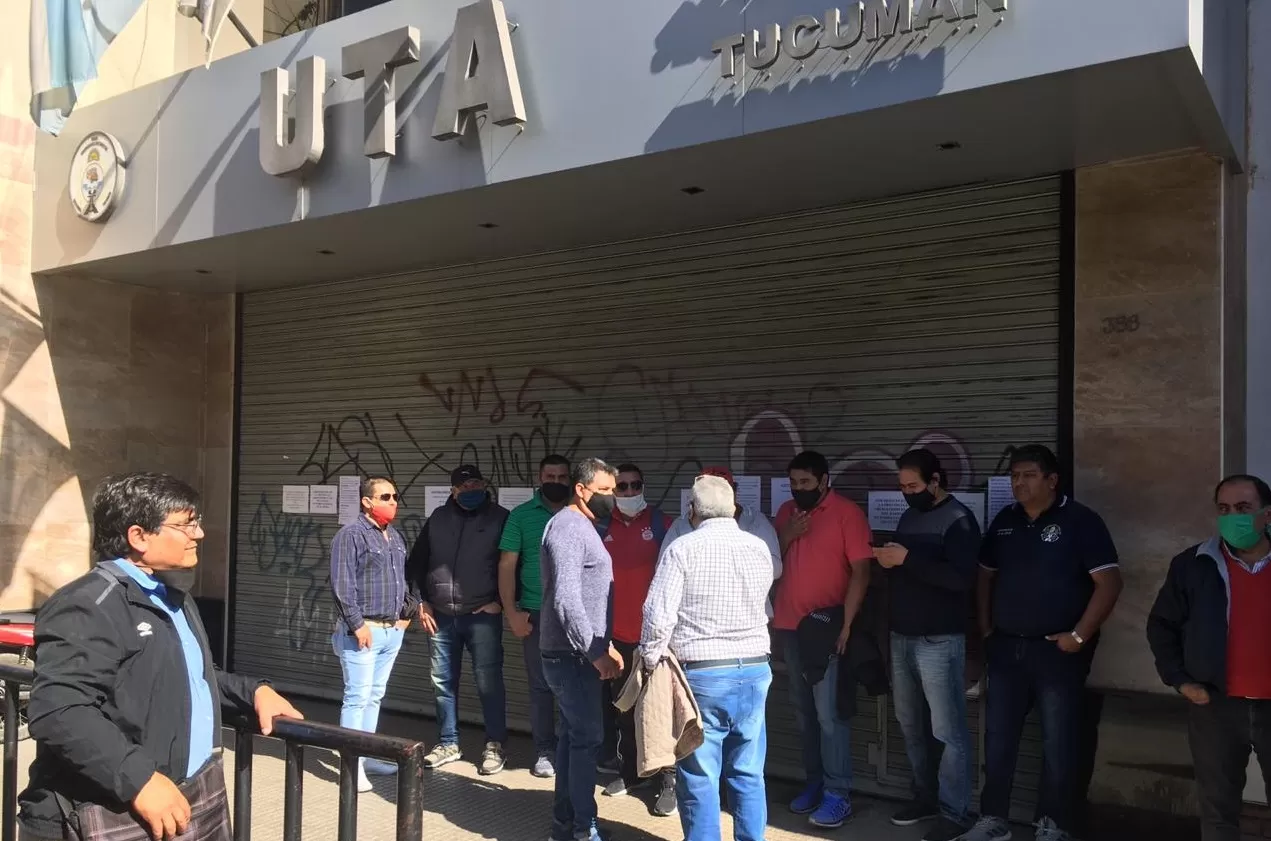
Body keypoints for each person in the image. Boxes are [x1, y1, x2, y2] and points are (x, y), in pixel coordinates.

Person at [18, 473, 302, 841]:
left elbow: (191, 675)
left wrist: (252, 692)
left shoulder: (172, 596)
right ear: (138, 537)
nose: (198, 534)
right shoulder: (88, 603)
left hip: (190, 794)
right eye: (186, 525)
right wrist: (140, 780)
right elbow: (60, 710)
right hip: (111, 810)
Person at [966, 445, 1122, 841]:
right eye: (1015, 476)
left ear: (1052, 480)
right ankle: (993, 820)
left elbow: (1109, 583)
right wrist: (986, 629)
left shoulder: (1081, 521)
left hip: (1058, 653)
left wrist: (1078, 636)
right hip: (1006, 650)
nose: (1019, 483)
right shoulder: (1005, 521)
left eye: (1029, 475)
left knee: (1058, 743)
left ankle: (1052, 825)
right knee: (998, 740)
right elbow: (985, 575)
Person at [641, 474, 775, 841]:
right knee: (748, 771)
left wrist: (650, 660)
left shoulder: (682, 548)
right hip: (755, 668)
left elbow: (658, 614)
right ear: (733, 508)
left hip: (703, 675)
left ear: (693, 511)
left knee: (699, 774)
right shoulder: (759, 547)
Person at [1147, 474, 1271, 841]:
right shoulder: (1193, 565)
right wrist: (1180, 679)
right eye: (1224, 509)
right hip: (1215, 707)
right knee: (1217, 815)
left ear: (1266, 515)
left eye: (1243, 508)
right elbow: (1161, 625)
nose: (1233, 517)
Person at [876, 448, 981, 841]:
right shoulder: (909, 515)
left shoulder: (959, 520)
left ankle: (954, 813)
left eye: (914, 486)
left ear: (935, 481)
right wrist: (890, 560)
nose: (907, 493)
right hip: (902, 636)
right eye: (902, 487)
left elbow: (961, 580)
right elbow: (909, 569)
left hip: (939, 640)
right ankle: (925, 797)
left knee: (947, 730)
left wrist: (906, 561)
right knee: (909, 722)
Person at [772, 450, 874, 829]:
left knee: (830, 715)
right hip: (789, 626)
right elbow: (771, 562)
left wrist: (847, 625)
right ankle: (813, 782)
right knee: (803, 713)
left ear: (824, 481)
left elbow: (862, 573)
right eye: (794, 483)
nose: (799, 490)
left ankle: (838, 793)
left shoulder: (847, 513)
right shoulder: (786, 513)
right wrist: (787, 535)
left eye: (806, 483)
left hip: (828, 629)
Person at [540, 457, 625, 841]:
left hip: (579, 652)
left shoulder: (584, 526)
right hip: (572, 656)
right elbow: (566, 600)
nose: (612, 498)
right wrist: (595, 651)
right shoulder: (570, 528)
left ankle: (567, 822)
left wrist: (605, 643)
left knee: (573, 739)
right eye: (605, 490)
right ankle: (582, 827)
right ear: (581, 489)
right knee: (587, 739)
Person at [408, 465, 511, 774]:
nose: (470, 489)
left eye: (475, 483)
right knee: (442, 683)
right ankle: (448, 743)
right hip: (440, 615)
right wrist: (420, 603)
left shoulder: (501, 518)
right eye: (463, 486)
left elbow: (515, 566)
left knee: (488, 683)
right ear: (452, 490)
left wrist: (501, 603)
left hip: (482, 615)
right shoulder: (438, 519)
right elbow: (416, 562)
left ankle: (495, 745)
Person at [329, 476, 417, 792]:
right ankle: (350, 766)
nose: (393, 501)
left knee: (375, 696)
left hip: (390, 631)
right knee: (357, 697)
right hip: (362, 632)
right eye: (385, 496)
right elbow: (342, 584)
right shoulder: (350, 536)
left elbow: (404, 581)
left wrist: (406, 615)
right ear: (367, 501)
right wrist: (356, 624)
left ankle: (367, 755)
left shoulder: (393, 536)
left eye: (395, 496)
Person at [598, 462, 676, 816]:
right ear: (612, 492)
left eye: (635, 486)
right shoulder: (600, 527)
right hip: (617, 636)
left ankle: (668, 781)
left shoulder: (663, 524)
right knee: (624, 710)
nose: (629, 492)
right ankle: (632, 772)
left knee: (661, 712)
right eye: (622, 487)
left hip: (656, 637)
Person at [498, 454, 571, 777]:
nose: (555, 482)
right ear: (540, 478)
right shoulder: (521, 516)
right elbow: (507, 565)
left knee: (576, 686)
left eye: (561, 477)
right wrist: (512, 612)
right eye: (550, 476)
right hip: (536, 615)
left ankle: (575, 748)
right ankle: (545, 750)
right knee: (540, 687)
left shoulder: (581, 513)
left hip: (575, 616)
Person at [660, 465, 782, 616]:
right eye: (708, 493)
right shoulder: (681, 525)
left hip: (747, 617)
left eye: (722, 492)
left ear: (733, 492)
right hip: (698, 618)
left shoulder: (755, 521)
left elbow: (775, 569)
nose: (716, 498)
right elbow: (664, 570)